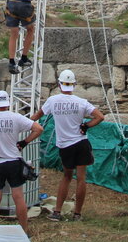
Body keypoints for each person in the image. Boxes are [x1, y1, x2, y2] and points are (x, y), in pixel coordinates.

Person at [35, 69, 104, 222]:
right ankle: (77, 214)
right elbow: (100, 117)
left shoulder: (53, 101)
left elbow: (37, 116)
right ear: (74, 85)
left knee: (66, 177)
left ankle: (57, 211)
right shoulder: (81, 102)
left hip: (65, 145)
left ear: (59, 85)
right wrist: (87, 126)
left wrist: (23, 124)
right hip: (81, 142)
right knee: (81, 178)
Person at [0, 90, 44, 230]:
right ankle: (24, 230)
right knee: (18, 196)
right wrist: (24, 142)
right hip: (13, 160)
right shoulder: (16, 117)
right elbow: (38, 129)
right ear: (8, 103)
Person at [5, 0, 45, 75]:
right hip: (24, 4)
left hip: (10, 3)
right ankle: (23, 58)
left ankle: (11, 61)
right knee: (30, 29)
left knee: (14, 33)